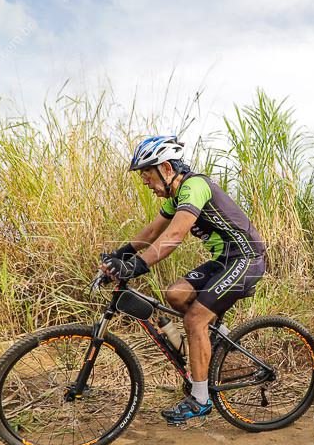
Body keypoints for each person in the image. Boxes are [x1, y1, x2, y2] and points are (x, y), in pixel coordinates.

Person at [100, 135, 266, 422]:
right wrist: (121, 255)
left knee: (195, 320)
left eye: (147, 175)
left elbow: (174, 236)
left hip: (247, 258)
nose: (145, 183)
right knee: (175, 294)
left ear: (166, 168)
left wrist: (136, 266)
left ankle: (200, 399)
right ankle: (218, 345)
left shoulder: (194, 186)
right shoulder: (177, 195)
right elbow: (153, 232)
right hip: (224, 260)